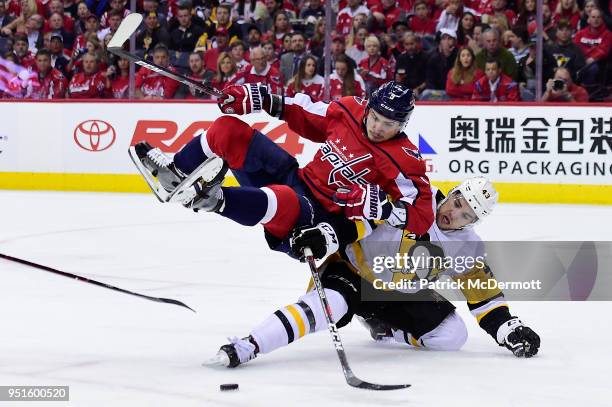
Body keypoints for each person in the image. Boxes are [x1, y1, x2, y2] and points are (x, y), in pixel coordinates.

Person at [204, 177, 541, 367]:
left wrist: (510, 329)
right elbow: (358, 220)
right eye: (456, 202)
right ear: (450, 193)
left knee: (453, 336)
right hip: (352, 271)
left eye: (466, 215)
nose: (453, 214)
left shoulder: (467, 247)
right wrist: (327, 235)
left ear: (474, 223)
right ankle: (249, 345)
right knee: (327, 308)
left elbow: (483, 295)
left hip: (398, 295)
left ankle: (385, 331)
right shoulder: (412, 197)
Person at [132, 80, 433, 261]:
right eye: (377, 118)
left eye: (390, 124)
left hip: (317, 219)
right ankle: (175, 175)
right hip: (297, 177)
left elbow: (421, 216)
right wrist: (262, 99)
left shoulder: (404, 159)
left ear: (402, 125)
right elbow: (305, 114)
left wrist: (386, 209)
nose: (379, 128)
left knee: (283, 198)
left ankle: (212, 199)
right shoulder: (349, 110)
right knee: (228, 130)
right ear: (368, 108)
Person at [395, 32, 427, 97]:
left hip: (421, 90)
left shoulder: (425, 57)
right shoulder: (400, 58)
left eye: (412, 44)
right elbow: (397, 78)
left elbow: (429, 80)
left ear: (417, 43)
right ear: (403, 45)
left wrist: (418, 89)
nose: (409, 47)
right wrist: (398, 79)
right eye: (407, 44)